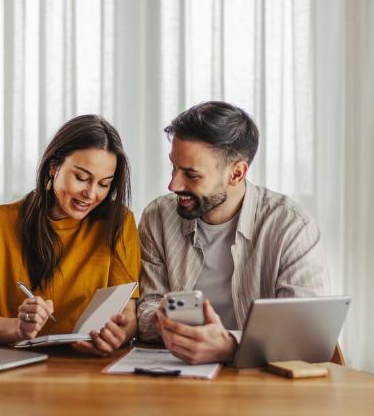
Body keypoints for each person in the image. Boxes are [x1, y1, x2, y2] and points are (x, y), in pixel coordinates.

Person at [137, 101, 329, 364]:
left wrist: (230, 346)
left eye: (191, 175)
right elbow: (147, 306)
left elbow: (304, 333)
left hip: (262, 376)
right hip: (176, 368)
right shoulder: (157, 217)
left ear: (237, 173)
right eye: (174, 167)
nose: (173, 184)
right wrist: (162, 323)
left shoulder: (292, 227)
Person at [0, 115, 140, 356]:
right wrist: (17, 328)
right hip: (15, 365)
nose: (91, 194)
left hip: (88, 366)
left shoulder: (118, 222)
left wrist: (119, 334)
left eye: (104, 184)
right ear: (53, 167)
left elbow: (128, 314)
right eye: (82, 178)